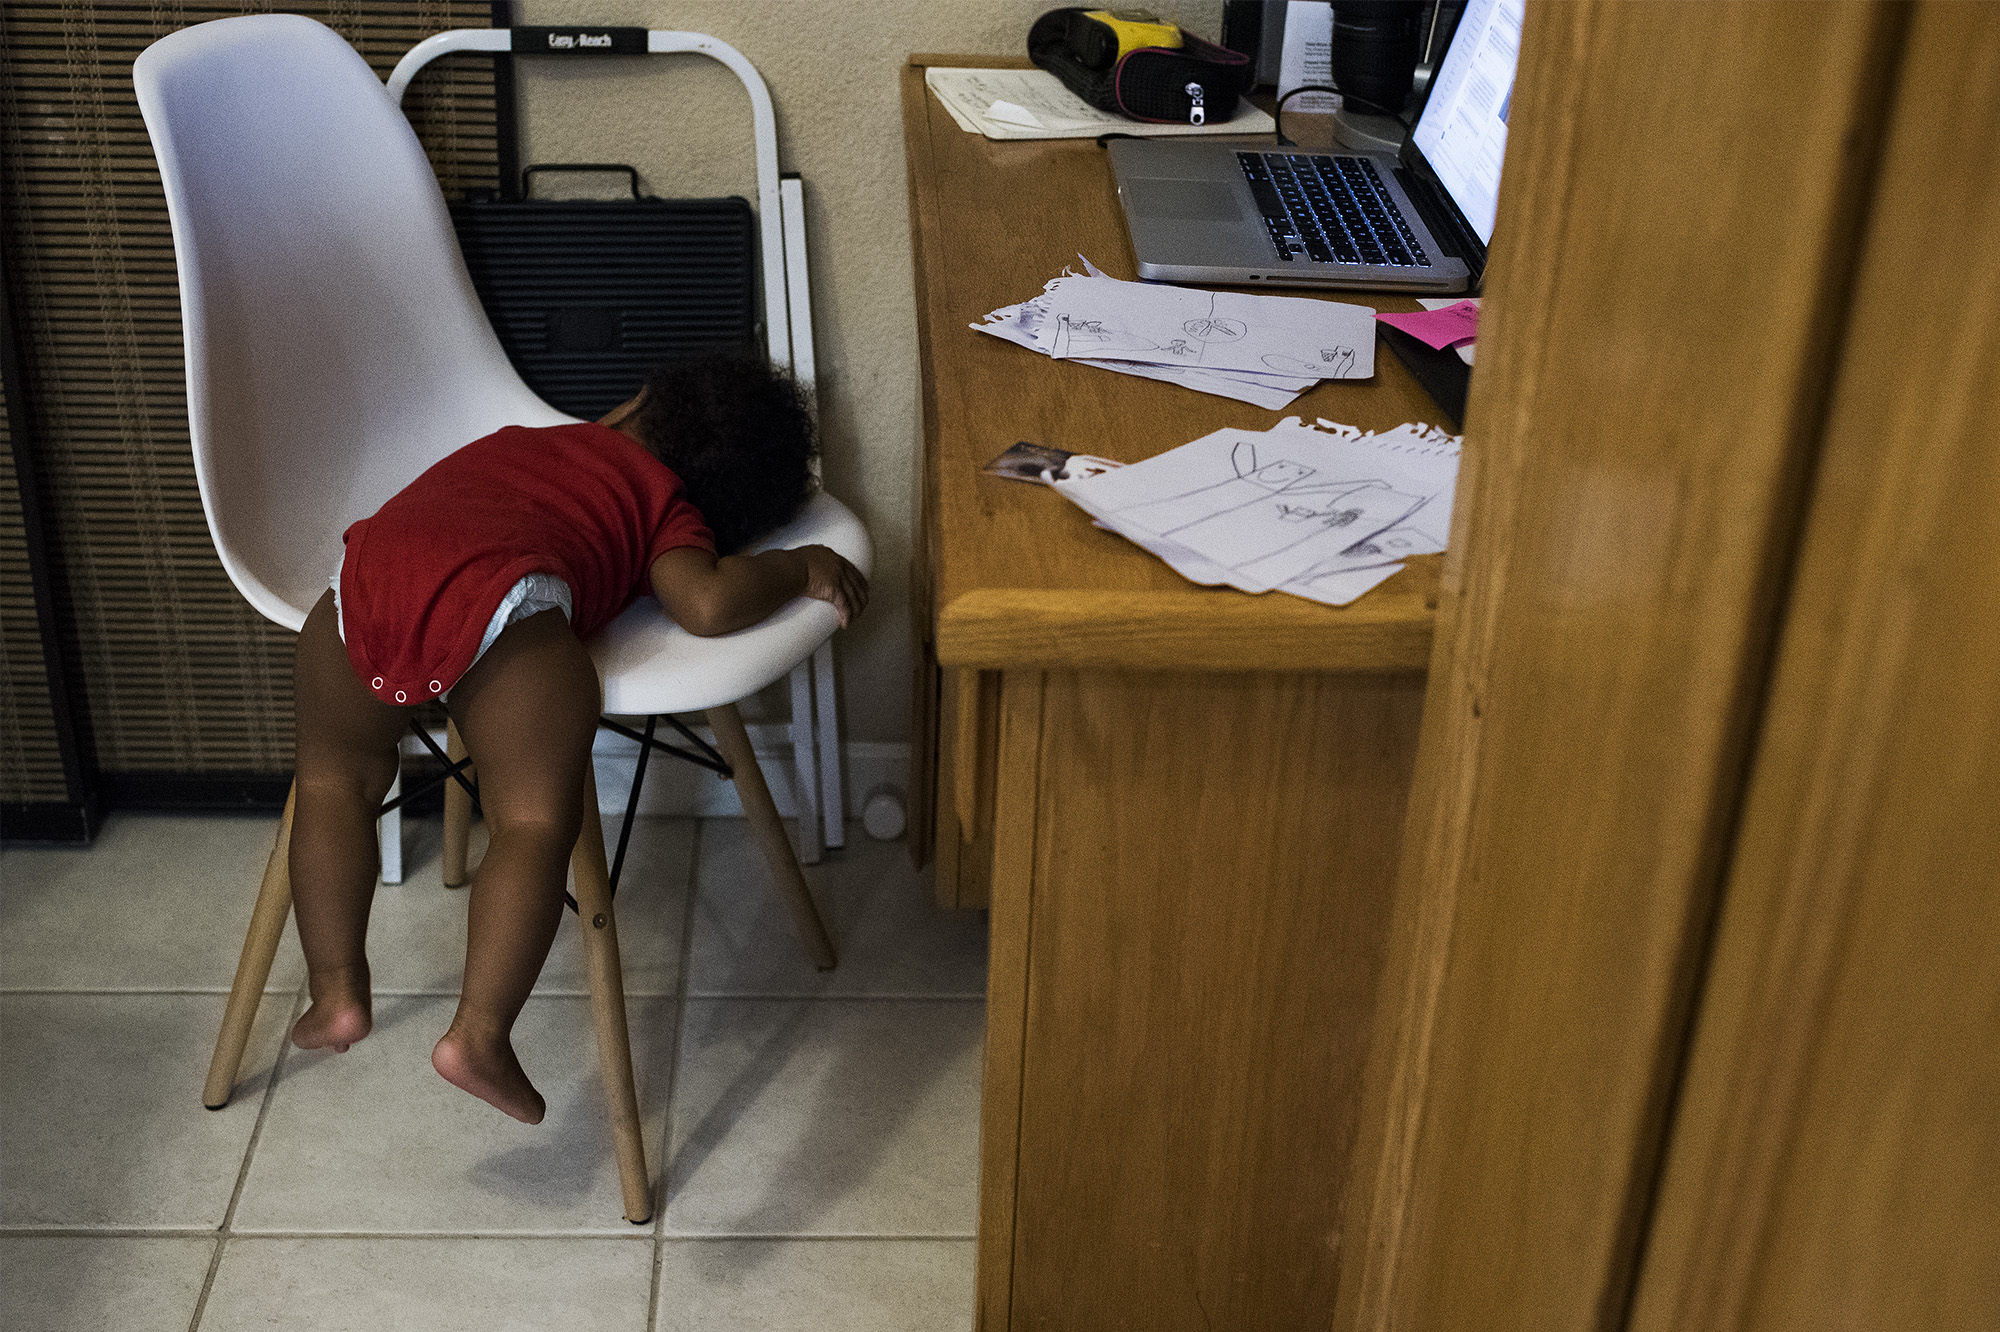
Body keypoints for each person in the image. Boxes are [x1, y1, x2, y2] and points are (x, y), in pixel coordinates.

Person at [284, 354, 866, 1124]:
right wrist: (797, 569)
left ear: (631, 407)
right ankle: (478, 1037)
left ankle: (336, 992)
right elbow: (706, 603)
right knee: (529, 824)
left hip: (366, 574)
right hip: (505, 600)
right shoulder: (666, 504)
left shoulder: (521, 439)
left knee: (334, 782)